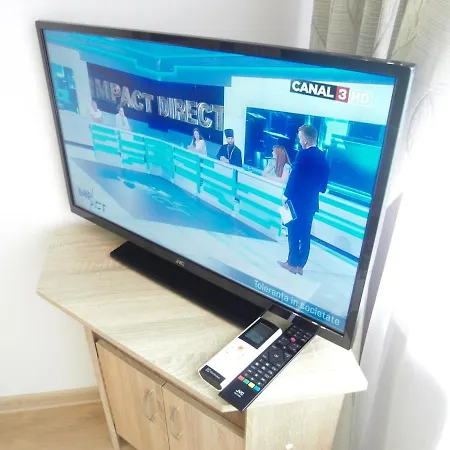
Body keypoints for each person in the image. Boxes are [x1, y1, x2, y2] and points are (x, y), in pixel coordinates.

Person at [277, 125, 329, 275]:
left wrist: (286, 195)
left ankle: (292, 263)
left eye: (300, 138)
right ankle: (300, 265)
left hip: (297, 202)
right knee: (305, 234)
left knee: (293, 232)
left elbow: (294, 177)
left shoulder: (303, 155)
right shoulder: (323, 157)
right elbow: (323, 187)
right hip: (311, 204)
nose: (299, 141)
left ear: (306, 140)